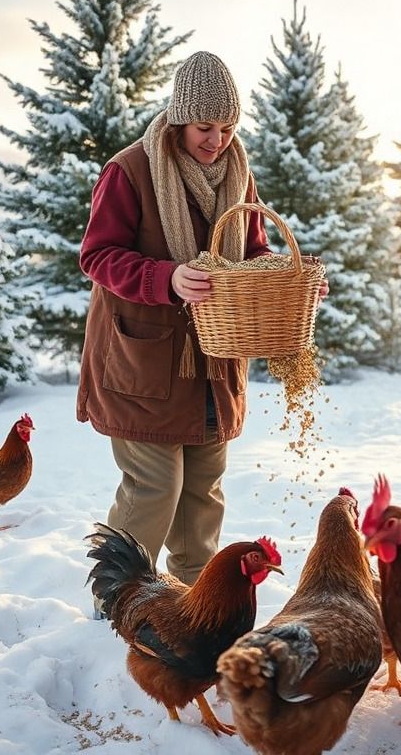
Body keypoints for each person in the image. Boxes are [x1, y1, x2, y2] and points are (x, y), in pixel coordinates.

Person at [77, 51, 273, 595]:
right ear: (179, 117)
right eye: (205, 127)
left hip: (214, 359)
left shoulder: (238, 173)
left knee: (203, 489)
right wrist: (167, 278)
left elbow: (253, 249)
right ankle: (118, 595)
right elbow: (97, 256)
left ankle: (196, 599)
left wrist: (283, 277)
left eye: (228, 127)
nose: (218, 140)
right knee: (154, 487)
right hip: (147, 361)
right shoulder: (130, 170)